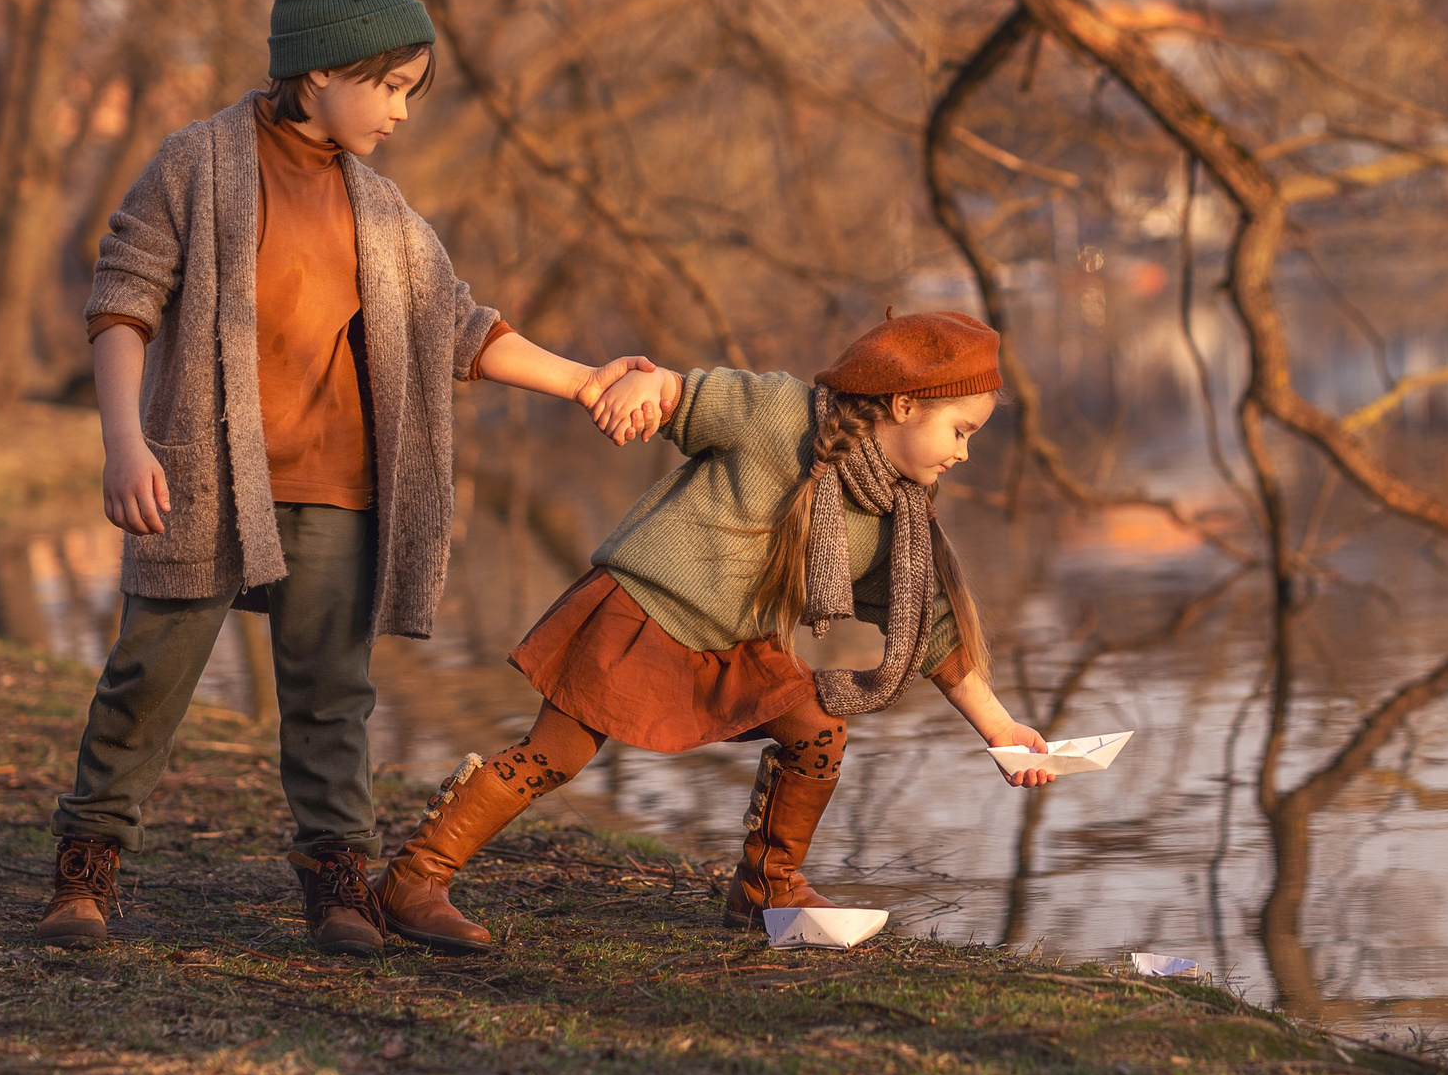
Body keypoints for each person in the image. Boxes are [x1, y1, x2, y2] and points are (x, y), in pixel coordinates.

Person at [37, 0, 657, 956]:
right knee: (148, 677)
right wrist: (123, 444)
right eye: (393, 89)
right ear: (320, 70)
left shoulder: (381, 209)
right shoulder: (196, 165)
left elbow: (464, 329)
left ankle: (337, 882)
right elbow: (122, 301)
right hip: (198, 476)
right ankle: (86, 869)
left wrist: (586, 379)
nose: (403, 113)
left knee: (330, 692)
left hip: (340, 489)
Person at [373, 309, 1056, 953]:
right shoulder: (782, 414)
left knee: (816, 729)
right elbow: (686, 397)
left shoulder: (893, 515)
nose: (964, 452)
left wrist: (1000, 728)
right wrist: (644, 385)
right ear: (905, 405)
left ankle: (767, 892)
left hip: (737, 646)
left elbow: (933, 630)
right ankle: (414, 878)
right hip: (642, 610)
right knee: (554, 754)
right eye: (962, 430)